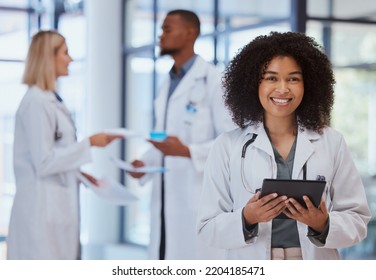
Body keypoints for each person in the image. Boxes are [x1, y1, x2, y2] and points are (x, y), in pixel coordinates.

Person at [197, 31, 372, 260]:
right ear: (253, 84)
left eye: (293, 79)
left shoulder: (332, 142)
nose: (282, 89)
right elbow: (207, 227)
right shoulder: (228, 145)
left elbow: (357, 219)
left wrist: (323, 223)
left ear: (307, 84)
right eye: (271, 78)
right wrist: (247, 217)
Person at [127, 10, 235, 260]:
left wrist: (188, 152)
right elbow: (164, 139)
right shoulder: (168, 83)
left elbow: (232, 141)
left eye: (167, 29)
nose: (160, 36)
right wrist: (145, 164)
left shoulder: (214, 81)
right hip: (166, 199)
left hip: (198, 199)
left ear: (190, 33)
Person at [6, 30, 123, 260]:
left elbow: (53, 155)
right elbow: (44, 162)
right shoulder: (37, 102)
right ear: (48, 58)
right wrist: (90, 143)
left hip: (55, 211)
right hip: (40, 215)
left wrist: (80, 175)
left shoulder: (51, 100)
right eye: (65, 53)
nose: (70, 59)